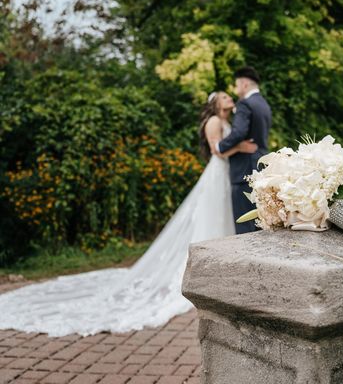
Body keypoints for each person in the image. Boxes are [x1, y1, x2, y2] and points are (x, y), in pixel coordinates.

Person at [0, 91, 256, 336]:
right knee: (211, 218)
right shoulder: (213, 121)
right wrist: (240, 149)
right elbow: (217, 151)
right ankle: (201, 273)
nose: (229, 98)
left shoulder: (226, 120)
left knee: (222, 219)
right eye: (224, 96)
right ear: (215, 104)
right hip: (217, 175)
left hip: (226, 176)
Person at [216, 66, 272, 234]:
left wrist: (220, 146)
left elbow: (239, 132)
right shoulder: (263, 104)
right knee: (258, 221)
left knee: (244, 223)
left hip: (244, 169)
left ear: (245, 84)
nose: (236, 89)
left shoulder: (245, 103)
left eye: (237, 85)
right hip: (260, 165)